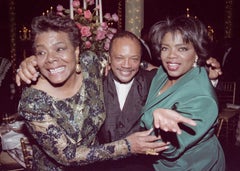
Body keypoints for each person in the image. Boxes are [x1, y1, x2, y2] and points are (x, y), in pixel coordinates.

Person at [16, 27, 223, 170]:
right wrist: (33, 61)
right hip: (98, 164)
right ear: (108, 58)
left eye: (134, 58)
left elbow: (180, 76)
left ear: (141, 60)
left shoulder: (153, 77)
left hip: (145, 165)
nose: (126, 65)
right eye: (119, 58)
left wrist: (203, 69)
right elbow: (62, 60)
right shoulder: (94, 74)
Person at [17, 14, 170, 171]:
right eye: (41, 52)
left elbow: (122, 62)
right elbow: (67, 155)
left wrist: (157, 68)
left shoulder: (90, 64)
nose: (51, 59)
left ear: (76, 52)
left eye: (60, 49)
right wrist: (128, 146)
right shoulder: (33, 102)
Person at [140, 16, 226, 170]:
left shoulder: (202, 99)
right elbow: (150, 68)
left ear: (198, 52)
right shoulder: (163, 73)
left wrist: (164, 130)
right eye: (165, 48)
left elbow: (170, 150)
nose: (171, 56)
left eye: (182, 49)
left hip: (191, 166)